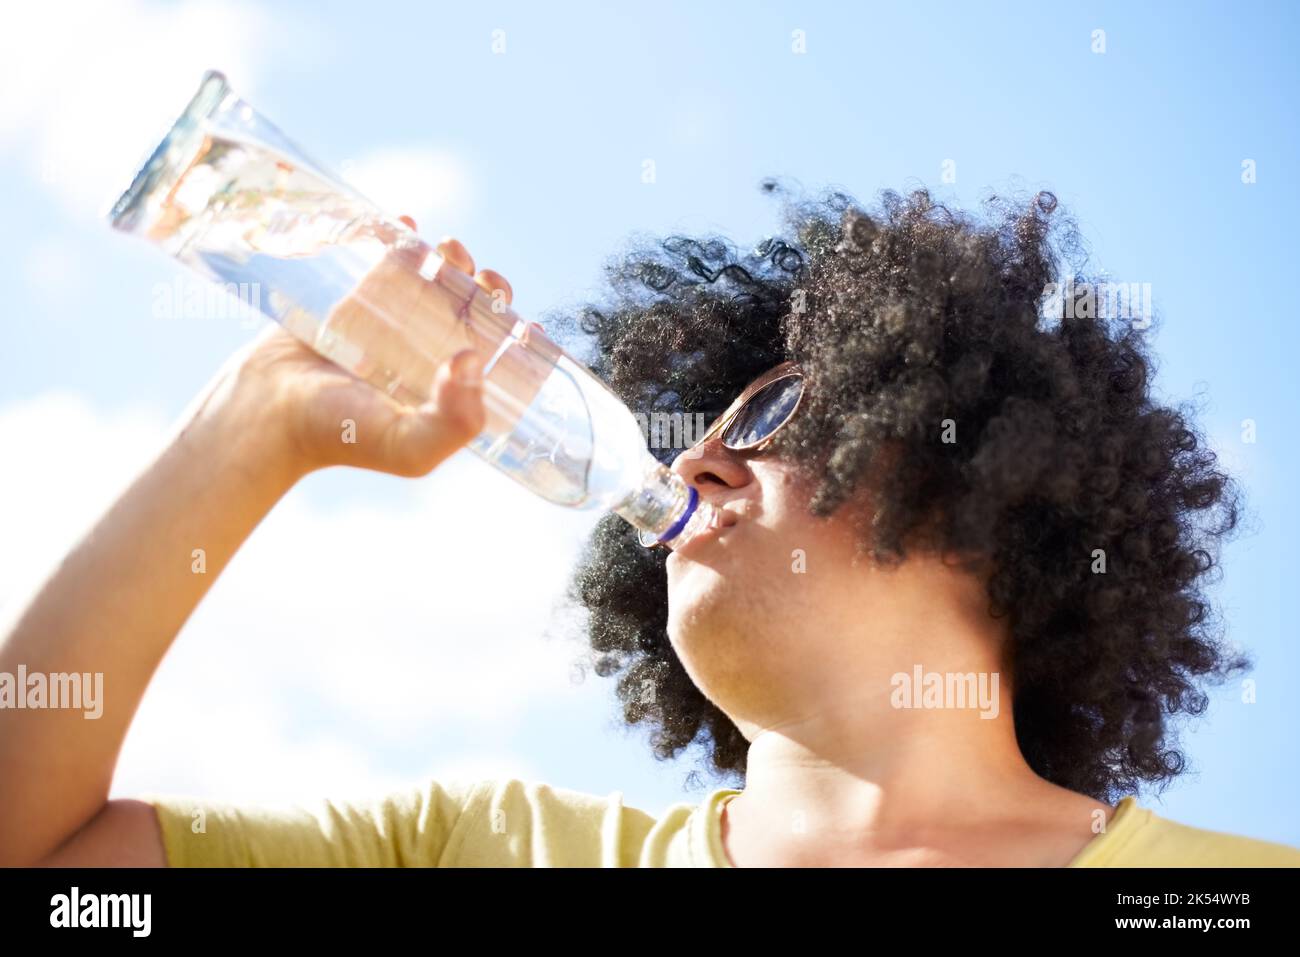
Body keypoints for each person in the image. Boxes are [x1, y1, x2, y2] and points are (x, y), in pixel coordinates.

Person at [2, 187, 1297, 867]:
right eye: (695, 431)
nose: (712, 461)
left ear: (992, 479)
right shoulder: (481, 852)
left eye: (781, 407)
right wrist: (259, 423)